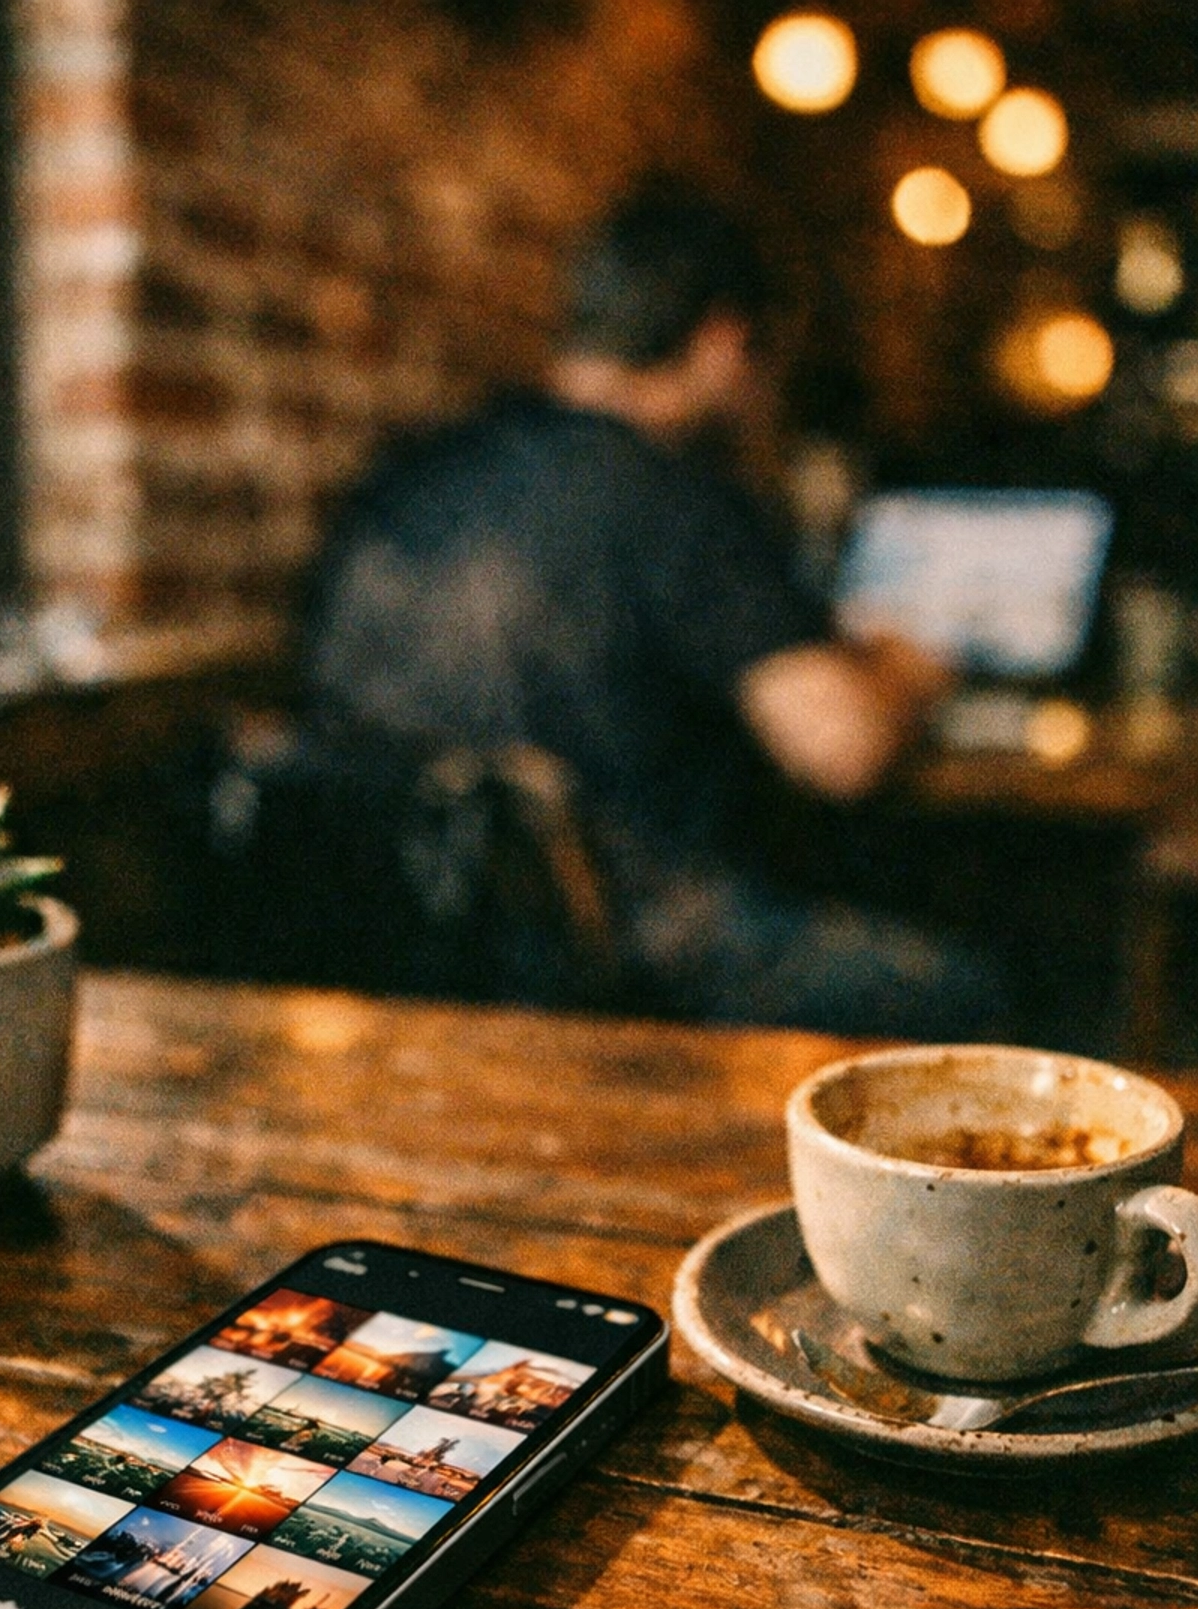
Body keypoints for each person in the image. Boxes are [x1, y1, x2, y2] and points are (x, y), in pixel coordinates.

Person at [301, 182, 1009, 1037]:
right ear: (722, 340)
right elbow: (843, 750)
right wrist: (911, 667)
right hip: (626, 977)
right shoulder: (675, 492)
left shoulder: (416, 471)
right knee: (969, 991)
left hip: (395, 964)